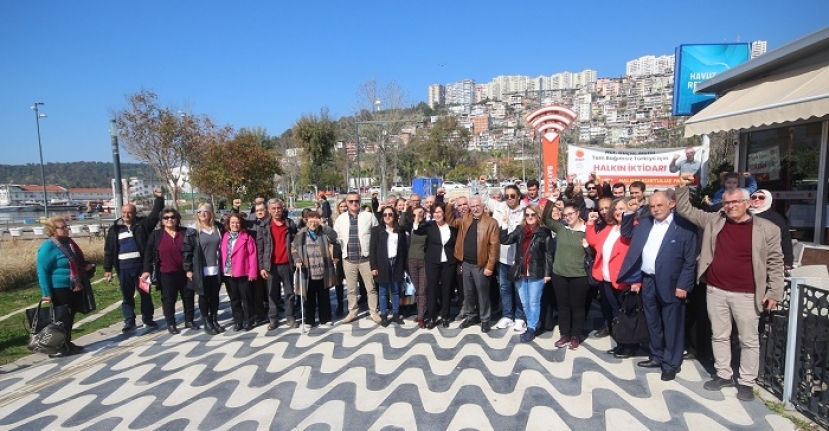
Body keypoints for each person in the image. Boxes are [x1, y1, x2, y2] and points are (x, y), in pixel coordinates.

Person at [675, 173, 784, 401]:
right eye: (726, 202)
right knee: (720, 335)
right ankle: (724, 374)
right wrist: (682, 186)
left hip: (747, 294)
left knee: (748, 339)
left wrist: (774, 292)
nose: (731, 206)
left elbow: (775, 261)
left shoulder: (767, 229)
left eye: (735, 202)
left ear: (747, 203)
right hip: (716, 290)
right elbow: (686, 209)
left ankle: (746, 381)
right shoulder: (715, 221)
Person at [617, 191, 697, 381]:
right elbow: (627, 232)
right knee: (652, 320)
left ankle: (671, 363)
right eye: (652, 206)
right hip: (649, 279)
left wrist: (683, 285)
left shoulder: (684, 226)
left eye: (659, 205)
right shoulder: (645, 222)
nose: (655, 209)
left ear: (671, 204)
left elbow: (689, 260)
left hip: (673, 282)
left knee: (672, 324)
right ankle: (656, 355)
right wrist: (629, 213)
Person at [104, 187, 164, 332]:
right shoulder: (115, 230)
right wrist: (107, 269)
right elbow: (109, 250)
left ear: (135, 213)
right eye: (124, 212)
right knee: (127, 296)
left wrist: (159, 198)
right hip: (123, 269)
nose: (126, 215)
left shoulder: (142, 226)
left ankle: (148, 319)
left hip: (141, 269)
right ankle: (129, 321)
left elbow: (155, 214)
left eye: (129, 212)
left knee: (145, 294)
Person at [36, 217, 92, 356]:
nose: (67, 229)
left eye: (66, 226)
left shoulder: (69, 243)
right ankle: (59, 345)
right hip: (59, 287)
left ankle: (66, 341)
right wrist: (46, 292)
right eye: (63, 227)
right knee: (62, 318)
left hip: (73, 285)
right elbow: (42, 270)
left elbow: (76, 261)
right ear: (53, 231)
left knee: (70, 315)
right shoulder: (48, 246)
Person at [499, 205, 554, 343]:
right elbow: (505, 240)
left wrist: (547, 273)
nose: (530, 218)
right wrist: (504, 224)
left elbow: (548, 254)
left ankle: (531, 328)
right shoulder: (520, 230)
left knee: (534, 302)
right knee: (524, 302)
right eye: (527, 215)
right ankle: (533, 323)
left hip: (537, 272)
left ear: (538, 216)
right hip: (521, 272)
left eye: (533, 215)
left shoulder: (544, 232)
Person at [446, 196, 500, 333]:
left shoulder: (491, 222)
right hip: (466, 263)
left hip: (481, 265)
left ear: (483, 206)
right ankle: (470, 316)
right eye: (473, 206)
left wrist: (490, 266)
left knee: (483, 293)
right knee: (468, 293)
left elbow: (494, 246)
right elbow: (451, 221)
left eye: (478, 206)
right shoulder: (466, 219)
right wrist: (449, 206)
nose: (475, 209)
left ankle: (485, 319)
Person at [585, 198, 633, 349]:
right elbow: (593, 241)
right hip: (606, 277)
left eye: (622, 208)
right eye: (616, 209)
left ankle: (628, 343)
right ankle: (620, 339)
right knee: (614, 309)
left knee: (624, 313)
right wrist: (590, 223)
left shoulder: (632, 227)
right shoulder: (610, 228)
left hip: (622, 278)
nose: (619, 212)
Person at [142, 208, 198, 334]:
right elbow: (148, 255)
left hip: (185, 272)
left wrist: (192, 269)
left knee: (188, 297)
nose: (169, 220)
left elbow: (194, 252)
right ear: (162, 221)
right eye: (166, 218)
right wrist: (146, 270)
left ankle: (189, 320)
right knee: (168, 299)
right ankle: (171, 324)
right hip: (166, 273)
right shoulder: (156, 235)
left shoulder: (186, 233)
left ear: (177, 218)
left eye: (172, 217)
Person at [545, 203, 590, 350]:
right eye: (565, 215)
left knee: (577, 308)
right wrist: (551, 199)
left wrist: (587, 246)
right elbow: (546, 218)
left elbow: (595, 254)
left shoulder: (586, 231)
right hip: (560, 275)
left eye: (570, 214)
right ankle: (565, 334)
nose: (568, 217)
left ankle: (575, 336)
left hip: (579, 276)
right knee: (563, 307)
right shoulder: (561, 229)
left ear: (578, 213)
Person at [334, 191, 381, 324]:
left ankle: (373, 312)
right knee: (351, 288)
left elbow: (377, 236)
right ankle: (352, 311)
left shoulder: (369, 216)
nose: (354, 203)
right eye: (351, 201)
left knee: (370, 288)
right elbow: (336, 239)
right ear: (346, 203)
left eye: (356, 201)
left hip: (366, 259)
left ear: (360, 201)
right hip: (348, 259)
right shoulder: (341, 219)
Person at [183, 203, 226, 335]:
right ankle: (206, 321)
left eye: (205, 211)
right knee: (203, 296)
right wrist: (188, 269)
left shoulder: (218, 228)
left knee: (214, 296)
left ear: (211, 213)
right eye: (200, 211)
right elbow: (187, 251)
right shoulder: (192, 231)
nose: (202, 214)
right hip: (201, 269)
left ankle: (214, 319)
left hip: (216, 268)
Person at [412, 203, 458, 328]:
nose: (437, 214)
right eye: (435, 212)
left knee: (446, 290)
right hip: (432, 262)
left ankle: (445, 316)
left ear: (444, 213)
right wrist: (417, 215)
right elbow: (417, 230)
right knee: (432, 290)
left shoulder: (452, 229)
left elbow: (457, 245)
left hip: (449, 263)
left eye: (439, 212)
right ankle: (432, 318)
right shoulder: (429, 226)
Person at [255, 199, 298, 330]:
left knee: (290, 292)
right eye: (273, 208)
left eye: (278, 208)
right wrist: (262, 266)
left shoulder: (290, 224)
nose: (276, 211)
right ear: (269, 210)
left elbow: (295, 244)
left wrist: (297, 260)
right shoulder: (263, 226)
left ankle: (290, 316)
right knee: (272, 293)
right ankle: (273, 318)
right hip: (271, 265)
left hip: (287, 264)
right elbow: (260, 248)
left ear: (282, 208)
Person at [292, 210, 340, 327]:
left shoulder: (323, 232)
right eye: (311, 220)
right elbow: (293, 249)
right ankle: (310, 320)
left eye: (316, 220)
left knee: (324, 296)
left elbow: (334, 237)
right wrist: (297, 260)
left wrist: (324, 225)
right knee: (310, 298)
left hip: (323, 271)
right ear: (306, 221)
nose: (313, 224)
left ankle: (325, 318)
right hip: (308, 272)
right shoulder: (301, 234)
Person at [492, 185, 527, 332]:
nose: (510, 199)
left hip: (519, 258)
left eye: (513, 195)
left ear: (519, 196)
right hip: (503, 256)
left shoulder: (526, 210)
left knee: (519, 289)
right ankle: (507, 315)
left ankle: (520, 317)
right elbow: (496, 228)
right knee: (504, 288)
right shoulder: (499, 209)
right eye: (507, 196)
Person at [370, 206, 409, 327]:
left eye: (390, 214)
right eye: (385, 214)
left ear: (395, 216)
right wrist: (373, 266)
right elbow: (373, 249)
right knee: (383, 291)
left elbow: (404, 249)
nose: (388, 217)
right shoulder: (377, 230)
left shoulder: (400, 230)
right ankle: (384, 315)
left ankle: (396, 314)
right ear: (382, 217)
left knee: (396, 290)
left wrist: (404, 266)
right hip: (382, 264)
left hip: (396, 262)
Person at [220, 213, 259, 331]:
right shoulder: (225, 236)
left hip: (243, 272)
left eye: (237, 222)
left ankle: (249, 320)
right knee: (234, 298)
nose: (235, 225)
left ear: (241, 224)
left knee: (246, 298)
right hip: (228, 273)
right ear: (229, 224)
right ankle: (238, 321)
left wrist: (253, 273)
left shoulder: (247, 238)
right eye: (232, 222)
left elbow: (253, 256)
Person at [749, 189, 794, 270]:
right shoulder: (743, 215)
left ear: (768, 200)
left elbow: (785, 239)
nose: (757, 199)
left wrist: (788, 262)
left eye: (761, 198)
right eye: (754, 197)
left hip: (767, 259)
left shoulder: (775, 218)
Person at [407, 206, 429, 328]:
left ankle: (421, 316)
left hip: (424, 261)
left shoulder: (428, 227)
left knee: (422, 290)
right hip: (412, 261)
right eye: (416, 214)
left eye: (420, 214)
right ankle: (421, 311)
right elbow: (411, 227)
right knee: (417, 289)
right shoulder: (411, 226)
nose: (418, 216)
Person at [331, 199, 349, 314]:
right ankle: (340, 304)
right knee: (338, 281)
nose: (343, 208)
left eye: (345, 206)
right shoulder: (332, 220)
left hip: (350, 253)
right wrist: (335, 256)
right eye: (341, 206)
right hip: (338, 254)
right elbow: (334, 240)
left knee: (352, 281)